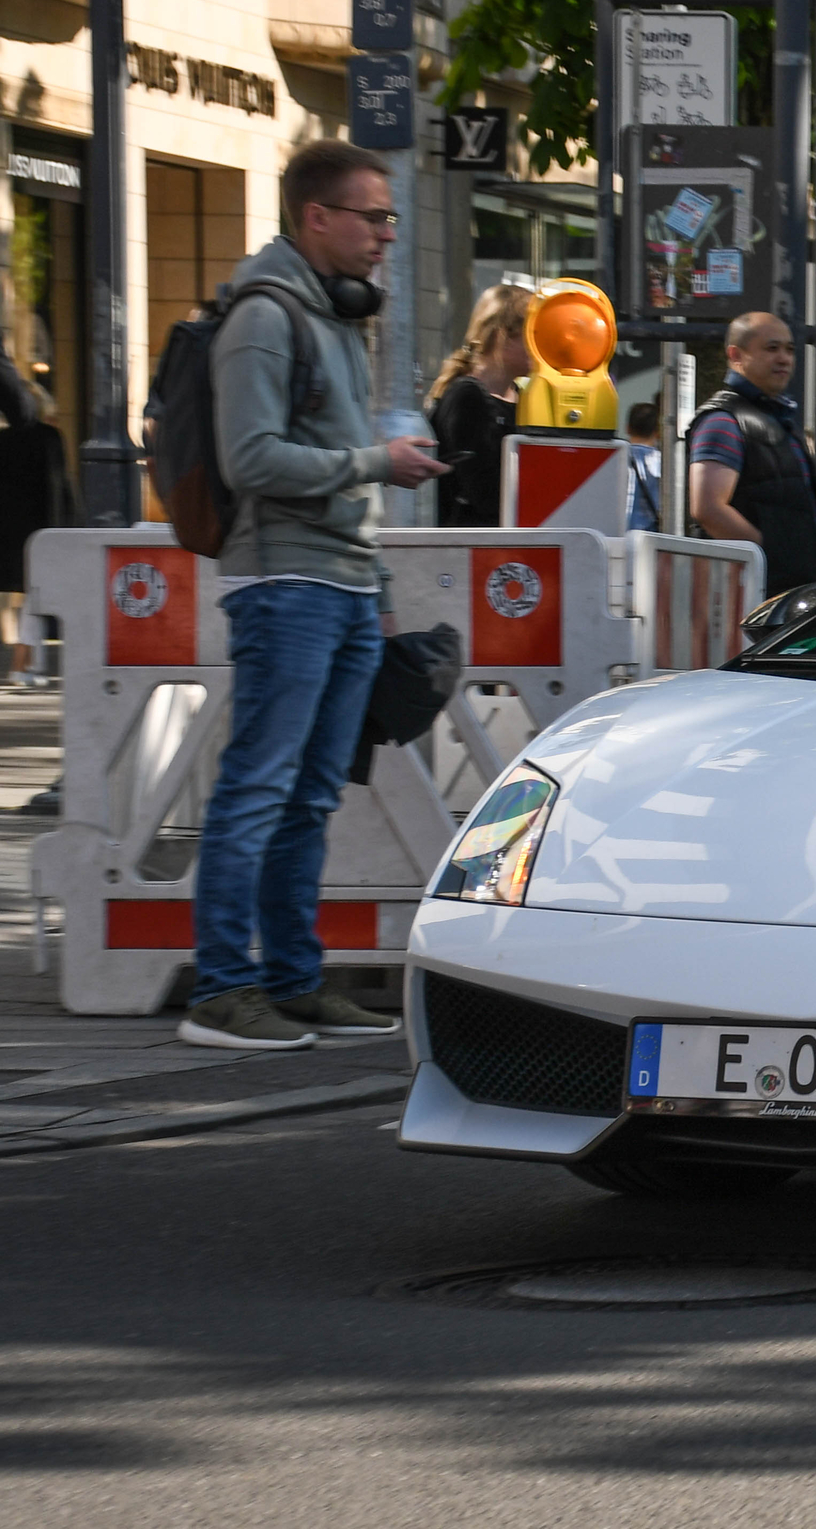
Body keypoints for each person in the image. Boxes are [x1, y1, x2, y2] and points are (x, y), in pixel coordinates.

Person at [182, 139, 446, 1051]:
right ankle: (222, 989)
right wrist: (378, 461)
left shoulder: (336, 316)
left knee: (310, 797)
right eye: (373, 216)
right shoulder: (265, 315)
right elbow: (248, 456)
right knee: (258, 788)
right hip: (284, 581)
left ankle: (292, 981)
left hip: (337, 584)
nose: (386, 234)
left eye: (391, 218)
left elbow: (339, 474)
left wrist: (373, 589)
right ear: (315, 219)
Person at [687, 313, 816, 595]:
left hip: (797, 593)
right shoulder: (723, 421)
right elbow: (708, 509)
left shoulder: (781, 421)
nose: (784, 358)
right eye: (772, 348)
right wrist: (773, 560)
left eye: (789, 349)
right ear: (736, 355)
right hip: (758, 599)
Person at [1, 334, 74, 685]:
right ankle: (24, 664)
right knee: (37, 593)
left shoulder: (17, 441)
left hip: (19, 531)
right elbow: (60, 491)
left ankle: (28, 663)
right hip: (40, 529)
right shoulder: (44, 440)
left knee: (35, 595)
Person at [427, 283, 531, 525]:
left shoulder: (524, 396)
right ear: (501, 335)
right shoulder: (467, 396)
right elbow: (486, 495)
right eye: (532, 334)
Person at [624, 401, 662, 532]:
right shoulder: (664, 463)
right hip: (648, 538)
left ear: (627, 428)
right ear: (658, 432)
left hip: (614, 536)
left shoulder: (614, 459)